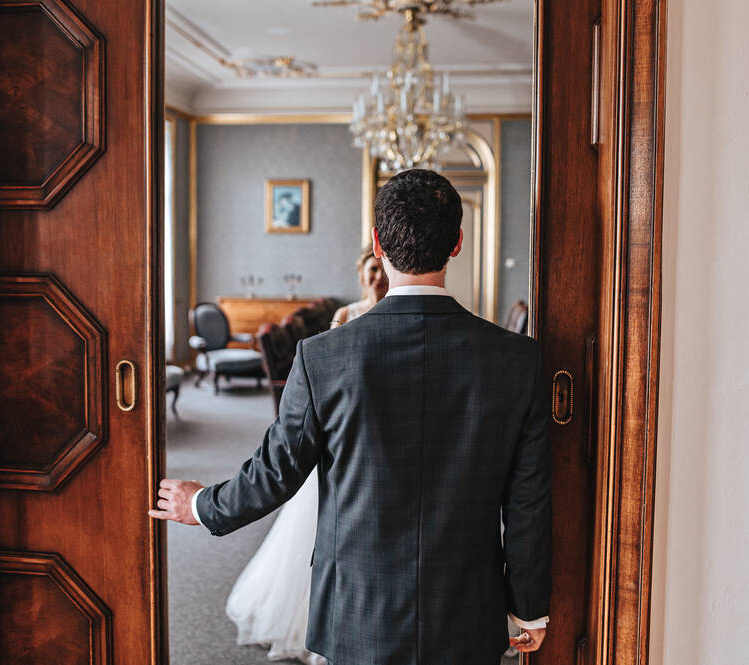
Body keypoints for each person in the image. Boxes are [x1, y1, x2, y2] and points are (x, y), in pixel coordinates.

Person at [151, 169, 552, 665]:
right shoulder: (518, 360)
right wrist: (529, 608)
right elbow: (528, 502)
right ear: (457, 244)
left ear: (378, 244)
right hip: (467, 606)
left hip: (358, 607)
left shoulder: (323, 356)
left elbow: (276, 472)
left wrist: (201, 505)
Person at [223, 243, 388, 665]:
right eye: (370, 269)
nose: (376, 276)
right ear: (361, 273)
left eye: (381, 268)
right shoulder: (345, 315)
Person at [330, 244, 389, 328]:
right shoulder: (344, 314)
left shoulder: (399, 312)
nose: (379, 276)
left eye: (384, 270)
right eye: (374, 269)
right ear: (362, 273)